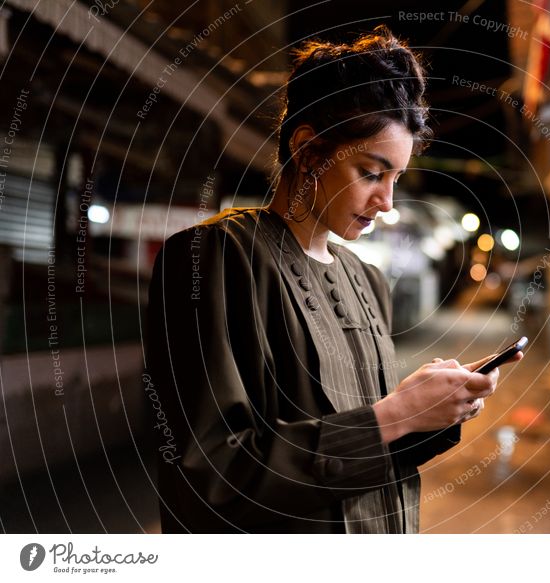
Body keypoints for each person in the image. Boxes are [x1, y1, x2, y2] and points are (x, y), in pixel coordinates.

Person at [145, 25, 521, 534]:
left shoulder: (366, 281)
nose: (387, 201)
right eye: (371, 172)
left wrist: (433, 407)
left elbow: (368, 455)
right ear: (308, 150)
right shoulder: (215, 257)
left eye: (397, 179)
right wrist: (395, 416)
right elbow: (212, 473)